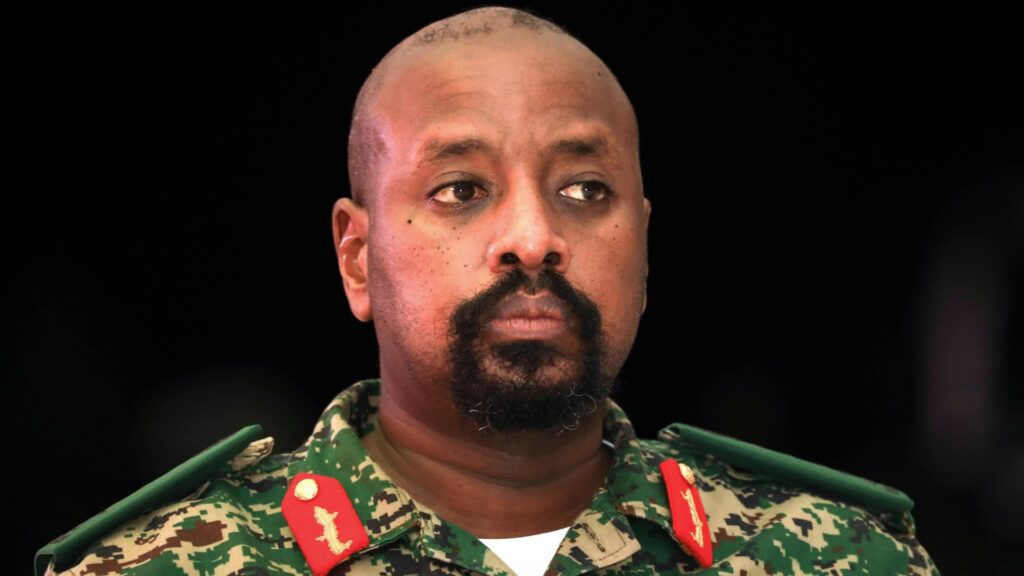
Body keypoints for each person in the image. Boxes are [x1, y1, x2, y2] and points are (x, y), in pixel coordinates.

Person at [36, 7, 938, 575]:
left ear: (645, 248)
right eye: (461, 189)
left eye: (584, 190)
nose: (534, 238)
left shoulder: (840, 558)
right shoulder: (163, 566)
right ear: (357, 258)